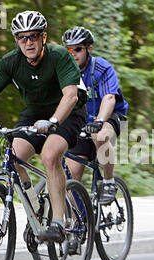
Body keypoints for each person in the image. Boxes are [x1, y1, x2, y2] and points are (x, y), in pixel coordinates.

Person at [0, 11, 87, 242]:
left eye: (33, 36)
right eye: (22, 37)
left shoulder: (59, 55)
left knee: (50, 156)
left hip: (67, 113)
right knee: (13, 157)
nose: (28, 42)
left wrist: (54, 122)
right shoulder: (11, 61)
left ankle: (58, 222)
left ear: (43, 38)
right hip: (35, 114)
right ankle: (37, 206)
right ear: (16, 40)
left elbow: (70, 96)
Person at [62, 26, 128, 204]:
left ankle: (108, 181)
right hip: (82, 121)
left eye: (78, 49)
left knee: (101, 135)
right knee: (71, 177)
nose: (73, 53)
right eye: (69, 49)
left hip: (111, 116)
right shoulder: (65, 72)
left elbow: (109, 98)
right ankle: (81, 226)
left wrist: (99, 121)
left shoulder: (100, 67)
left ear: (89, 49)